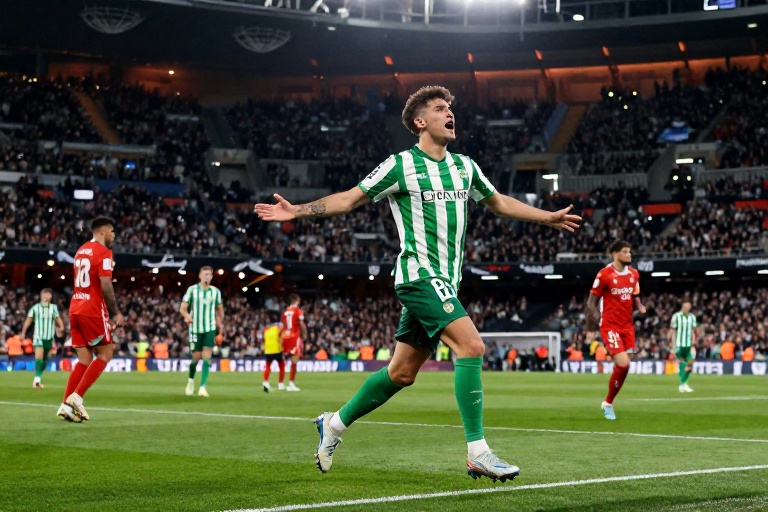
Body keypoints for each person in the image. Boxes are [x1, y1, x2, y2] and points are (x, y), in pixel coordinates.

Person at [254, 85, 581, 482]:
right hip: (419, 275)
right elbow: (350, 199)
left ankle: (333, 424)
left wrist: (546, 217)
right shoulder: (400, 165)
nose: (450, 113)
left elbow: (498, 203)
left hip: (446, 281)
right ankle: (478, 452)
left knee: (401, 374)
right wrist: (298, 211)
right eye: (440, 108)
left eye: (450, 108)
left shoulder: (465, 167)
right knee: (471, 346)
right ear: (420, 121)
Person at [59, 216, 125, 423]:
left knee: (84, 359)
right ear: (103, 232)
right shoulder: (104, 252)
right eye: (112, 231)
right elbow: (105, 284)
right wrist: (115, 312)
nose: (114, 235)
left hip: (75, 308)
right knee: (106, 352)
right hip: (92, 309)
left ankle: (65, 405)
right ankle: (76, 398)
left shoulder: (81, 251)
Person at [586, 240, 646, 421]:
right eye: (625, 252)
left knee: (625, 366)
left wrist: (639, 306)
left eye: (630, 251)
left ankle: (609, 399)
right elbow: (591, 302)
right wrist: (592, 322)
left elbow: (635, 295)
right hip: (610, 325)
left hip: (628, 326)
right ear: (615, 254)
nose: (629, 255)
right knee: (624, 364)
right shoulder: (604, 274)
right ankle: (608, 403)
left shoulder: (634, 274)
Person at [180, 266, 223, 398]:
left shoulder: (215, 292)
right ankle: (191, 380)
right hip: (195, 329)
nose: (207, 277)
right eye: (205, 274)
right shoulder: (192, 290)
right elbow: (183, 308)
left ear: (211, 276)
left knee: (206, 358)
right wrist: (187, 317)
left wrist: (220, 325)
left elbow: (220, 309)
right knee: (196, 358)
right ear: (200, 276)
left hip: (210, 328)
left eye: (209, 274)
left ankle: (203, 387)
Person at [21, 288, 65, 389]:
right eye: (44, 294)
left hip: (49, 337)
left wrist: (61, 328)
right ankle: (37, 379)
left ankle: (38, 375)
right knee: (39, 358)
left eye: (48, 294)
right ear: (41, 296)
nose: (46, 296)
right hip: (38, 336)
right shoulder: (35, 308)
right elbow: (28, 320)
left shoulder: (53, 308)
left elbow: (57, 319)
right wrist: (23, 332)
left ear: (51, 296)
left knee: (46, 358)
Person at [281, 294, 307, 392]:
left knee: (284, 360)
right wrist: (305, 333)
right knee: (294, 361)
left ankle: (281, 382)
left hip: (285, 336)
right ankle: (291, 384)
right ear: (298, 300)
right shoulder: (298, 311)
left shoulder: (285, 312)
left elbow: (283, 324)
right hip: (294, 336)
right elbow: (301, 323)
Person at [669, 301, 697, 393]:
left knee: (690, 362)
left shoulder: (692, 317)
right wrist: (670, 342)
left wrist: (694, 339)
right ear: (683, 307)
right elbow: (672, 330)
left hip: (689, 344)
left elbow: (694, 330)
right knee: (683, 363)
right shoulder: (676, 316)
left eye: (689, 307)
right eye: (686, 306)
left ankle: (682, 384)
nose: (687, 308)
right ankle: (683, 384)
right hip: (679, 344)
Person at [262, 313, 285, 392]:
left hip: (268, 350)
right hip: (277, 349)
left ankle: (265, 382)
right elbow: (281, 337)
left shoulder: (265, 329)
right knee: (281, 366)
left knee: (268, 366)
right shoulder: (278, 328)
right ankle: (280, 384)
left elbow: (264, 339)